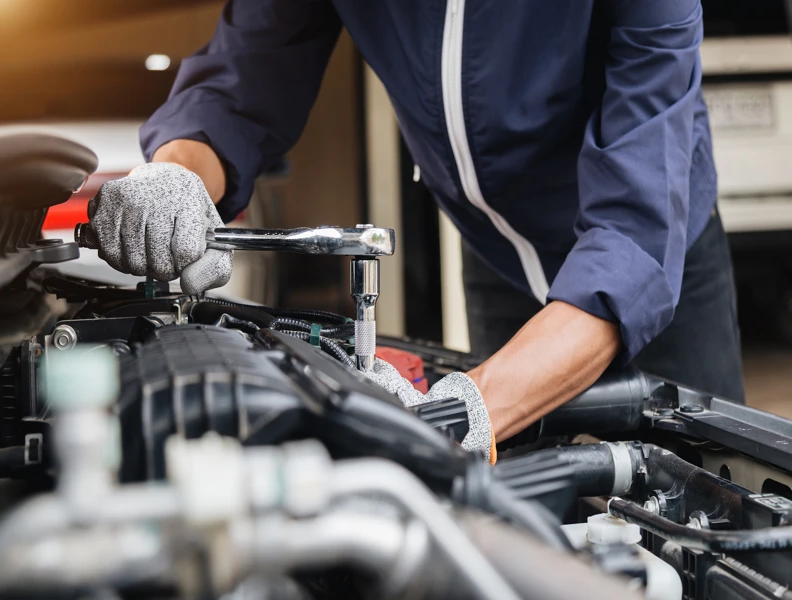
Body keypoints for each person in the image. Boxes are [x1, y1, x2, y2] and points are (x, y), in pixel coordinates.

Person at [87, 0, 744, 461]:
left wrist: (464, 411)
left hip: (661, 265)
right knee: (514, 518)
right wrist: (175, 175)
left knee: (715, 519)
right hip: (498, 256)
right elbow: (241, 81)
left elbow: (633, 235)